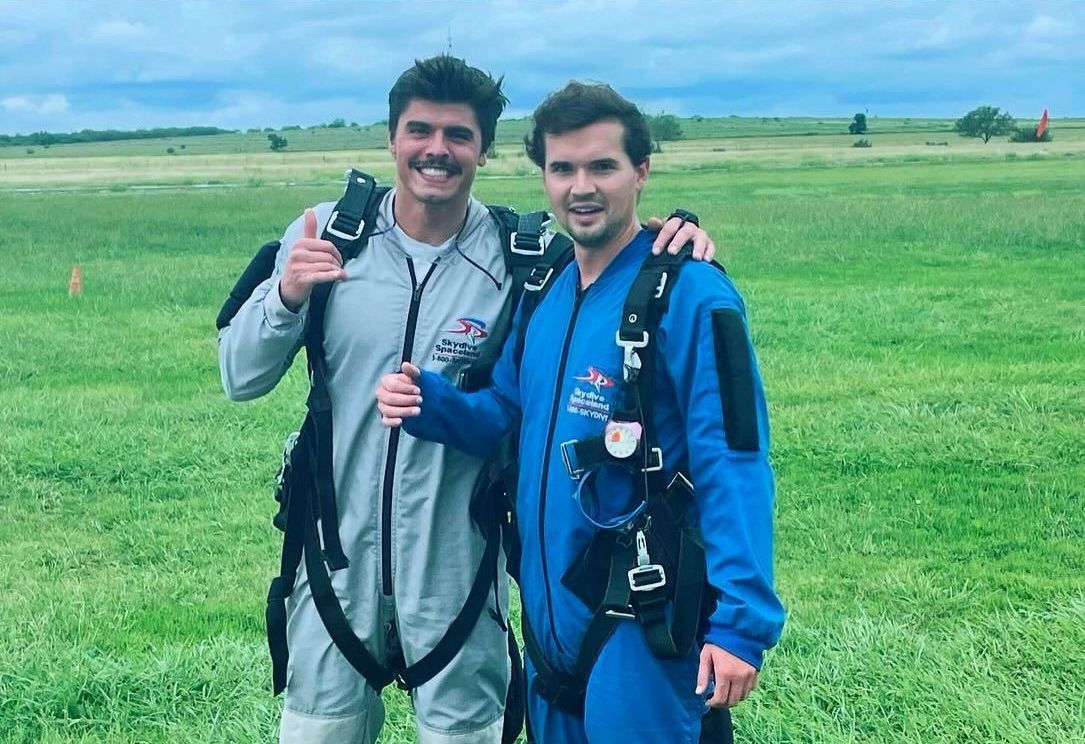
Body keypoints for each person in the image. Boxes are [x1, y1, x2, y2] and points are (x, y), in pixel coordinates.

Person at [219, 56, 714, 744]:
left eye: (458, 134)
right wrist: (285, 297)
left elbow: (609, 244)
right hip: (333, 562)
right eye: (419, 130)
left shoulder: (524, 258)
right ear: (391, 138)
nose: (437, 150)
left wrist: (676, 238)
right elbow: (240, 377)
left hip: (459, 566)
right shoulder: (329, 235)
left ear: (484, 149)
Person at [378, 81, 784, 743]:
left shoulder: (688, 294)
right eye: (562, 168)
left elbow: (734, 460)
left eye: (602, 166)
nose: (581, 187)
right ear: (543, 176)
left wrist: (741, 624)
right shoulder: (545, 288)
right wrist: (430, 402)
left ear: (640, 171)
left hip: (642, 614)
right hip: (547, 619)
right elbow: (506, 413)